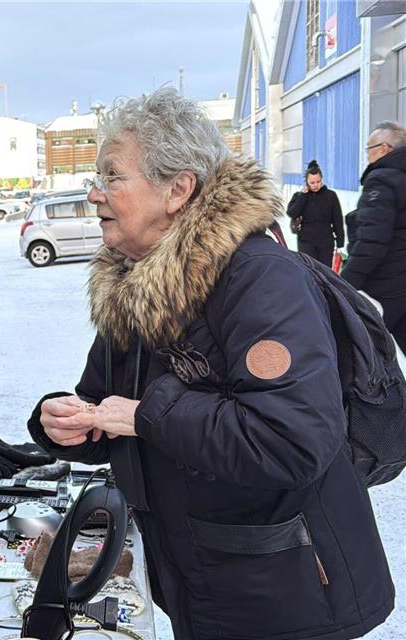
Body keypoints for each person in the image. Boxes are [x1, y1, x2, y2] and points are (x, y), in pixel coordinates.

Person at [27, 87, 393, 639]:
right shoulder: (130, 282)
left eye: (112, 177)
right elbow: (110, 407)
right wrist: (67, 423)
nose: (95, 194)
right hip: (197, 578)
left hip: (287, 592)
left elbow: (293, 438)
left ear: (177, 189)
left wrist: (147, 413)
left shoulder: (260, 278)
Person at [341, 121, 406, 353]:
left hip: (388, 282)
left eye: (370, 147)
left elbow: (372, 241)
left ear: (385, 148)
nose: (367, 153)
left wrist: (344, 283)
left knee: (356, 347)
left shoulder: (382, 179)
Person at [286, 159, 345, 266]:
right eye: (312, 182)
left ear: (321, 179)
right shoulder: (299, 196)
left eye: (318, 182)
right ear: (306, 182)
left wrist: (340, 242)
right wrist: (303, 196)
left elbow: (337, 219)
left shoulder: (330, 196)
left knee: (325, 272)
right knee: (309, 271)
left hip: (325, 241)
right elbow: (292, 213)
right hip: (306, 240)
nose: (315, 185)